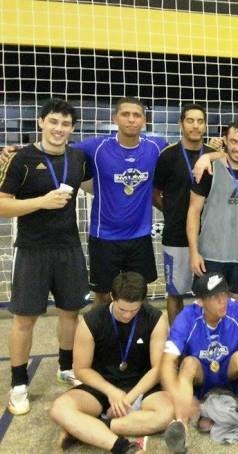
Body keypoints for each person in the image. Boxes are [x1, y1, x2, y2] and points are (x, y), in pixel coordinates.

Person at [0, 98, 90, 415]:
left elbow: (96, 183)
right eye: (53, 121)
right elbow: (2, 204)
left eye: (65, 124)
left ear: (72, 128)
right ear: (41, 122)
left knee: (70, 313)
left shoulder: (78, 158)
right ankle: (19, 384)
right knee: (24, 319)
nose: (59, 129)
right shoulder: (22, 158)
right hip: (32, 250)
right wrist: (41, 201)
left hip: (69, 248)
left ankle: (66, 368)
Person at [49, 272, 172, 454]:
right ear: (112, 297)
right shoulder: (91, 320)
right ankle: (122, 446)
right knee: (59, 408)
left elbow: (157, 369)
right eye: (123, 309)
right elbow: (81, 369)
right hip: (102, 385)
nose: (128, 315)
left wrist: (127, 399)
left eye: (134, 310)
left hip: (141, 385)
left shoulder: (156, 319)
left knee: (167, 413)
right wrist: (111, 392)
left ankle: (90, 427)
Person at [161, 272, 238, 452]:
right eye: (215, 297)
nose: (222, 301)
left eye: (224, 293)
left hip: (228, 372)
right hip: (201, 376)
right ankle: (181, 426)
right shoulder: (187, 317)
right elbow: (167, 362)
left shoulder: (237, 309)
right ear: (200, 301)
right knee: (188, 363)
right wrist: (176, 393)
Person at [75, 97, 167, 306]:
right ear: (115, 118)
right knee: (103, 296)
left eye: (137, 115)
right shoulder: (95, 147)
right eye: (126, 114)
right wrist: (14, 150)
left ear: (145, 120)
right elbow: (56, 149)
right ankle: (102, 336)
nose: (131, 120)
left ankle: (136, 337)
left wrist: (213, 154)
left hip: (140, 236)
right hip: (104, 236)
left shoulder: (156, 146)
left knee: (138, 293)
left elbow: (186, 154)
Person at [186, 120, 238, 303]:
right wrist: (194, 252)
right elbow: (193, 212)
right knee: (208, 308)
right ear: (225, 140)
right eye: (234, 141)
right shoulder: (209, 170)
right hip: (212, 254)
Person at [153, 104, 216, 324]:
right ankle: (176, 341)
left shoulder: (213, 155)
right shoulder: (167, 156)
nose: (195, 125)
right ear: (181, 124)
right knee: (175, 293)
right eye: (190, 120)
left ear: (206, 125)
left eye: (200, 121)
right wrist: (171, 212)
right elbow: (155, 193)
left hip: (209, 236)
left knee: (209, 292)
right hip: (176, 236)